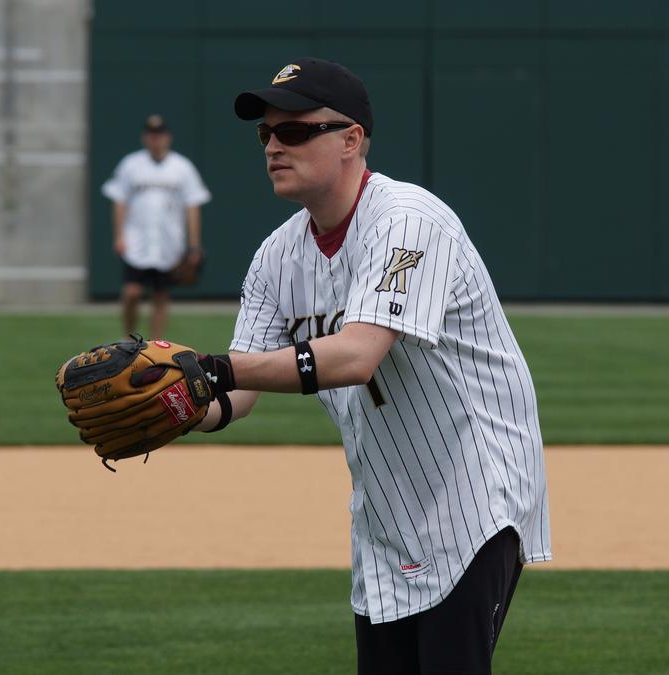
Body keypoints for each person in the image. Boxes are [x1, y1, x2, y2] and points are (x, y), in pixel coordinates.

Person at [190, 58, 551, 674]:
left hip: (475, 497)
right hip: (385, 516)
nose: (275, 145)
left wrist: (216, 369)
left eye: (296, 131)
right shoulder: (277, 258)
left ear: (351, 139)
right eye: (266, 134)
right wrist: (178, 399)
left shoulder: (408, 222)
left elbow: (356, 355)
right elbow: (236, 395)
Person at [102, 114, 211, 339]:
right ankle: (128, 338)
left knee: (161, 295)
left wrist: (194, 245)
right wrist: (119, 235)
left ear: (168, 137)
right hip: (137, 241)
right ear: (145, 138)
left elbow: (193, 206)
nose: (156, 139)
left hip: (168, 242)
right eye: (151, 135)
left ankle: (154, 345)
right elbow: (119, 201)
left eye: (159, 135)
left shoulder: (182, 167)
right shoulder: (130, 164)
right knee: (131, 292)